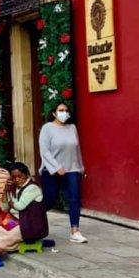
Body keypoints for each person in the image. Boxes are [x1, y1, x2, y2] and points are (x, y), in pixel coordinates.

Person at [40, 102, 87, 243]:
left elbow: (76, 149)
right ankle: (32, 222)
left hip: (72, 169)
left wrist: (80, 166)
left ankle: (75, 231)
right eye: (61, 110)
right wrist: (56, 167)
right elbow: (44, 151)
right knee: (50, 200)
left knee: (74, 199)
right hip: (51, 170)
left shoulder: (72, 128)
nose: (64, 113)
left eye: (66, 110)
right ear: (54, 113)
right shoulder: (47, 129)